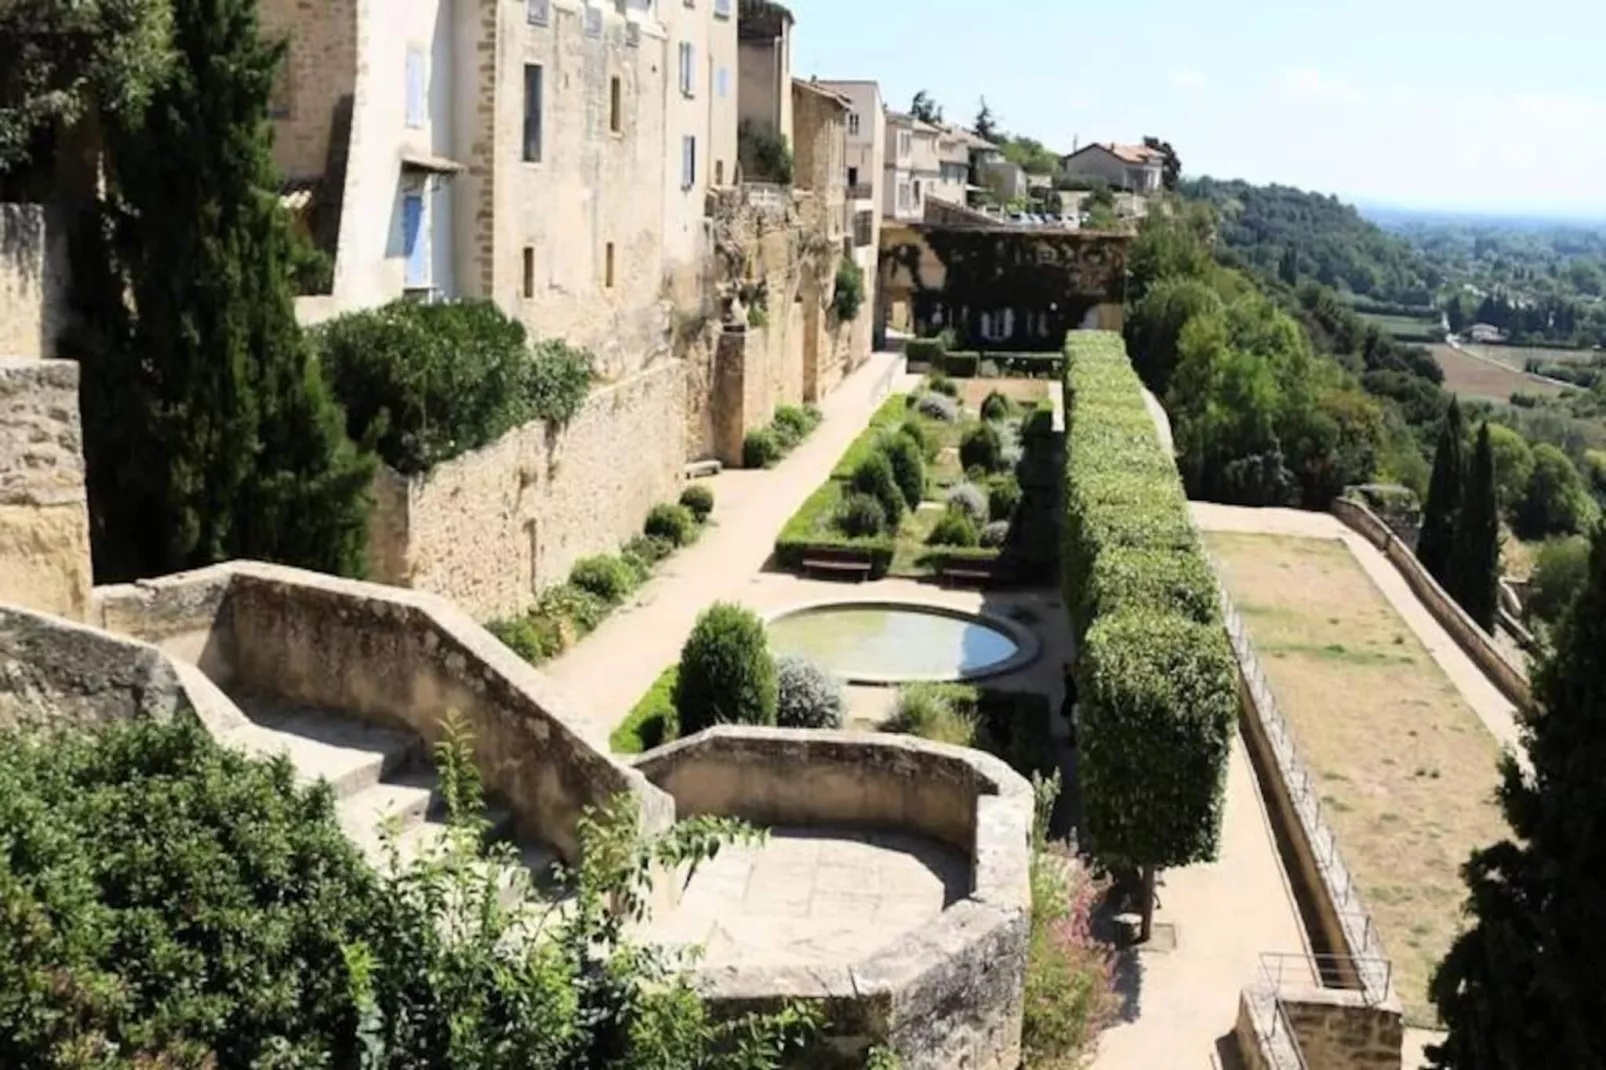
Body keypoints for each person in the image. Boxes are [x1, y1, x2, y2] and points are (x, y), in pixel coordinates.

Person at [1062, 660, 1079, 749]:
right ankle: (1073, 739)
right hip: (1072, 702)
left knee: (1073, 723)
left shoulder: (1070, 678)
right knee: (1072, 723)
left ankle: (1073, 740)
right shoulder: (1069, 678)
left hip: (1073, 702)